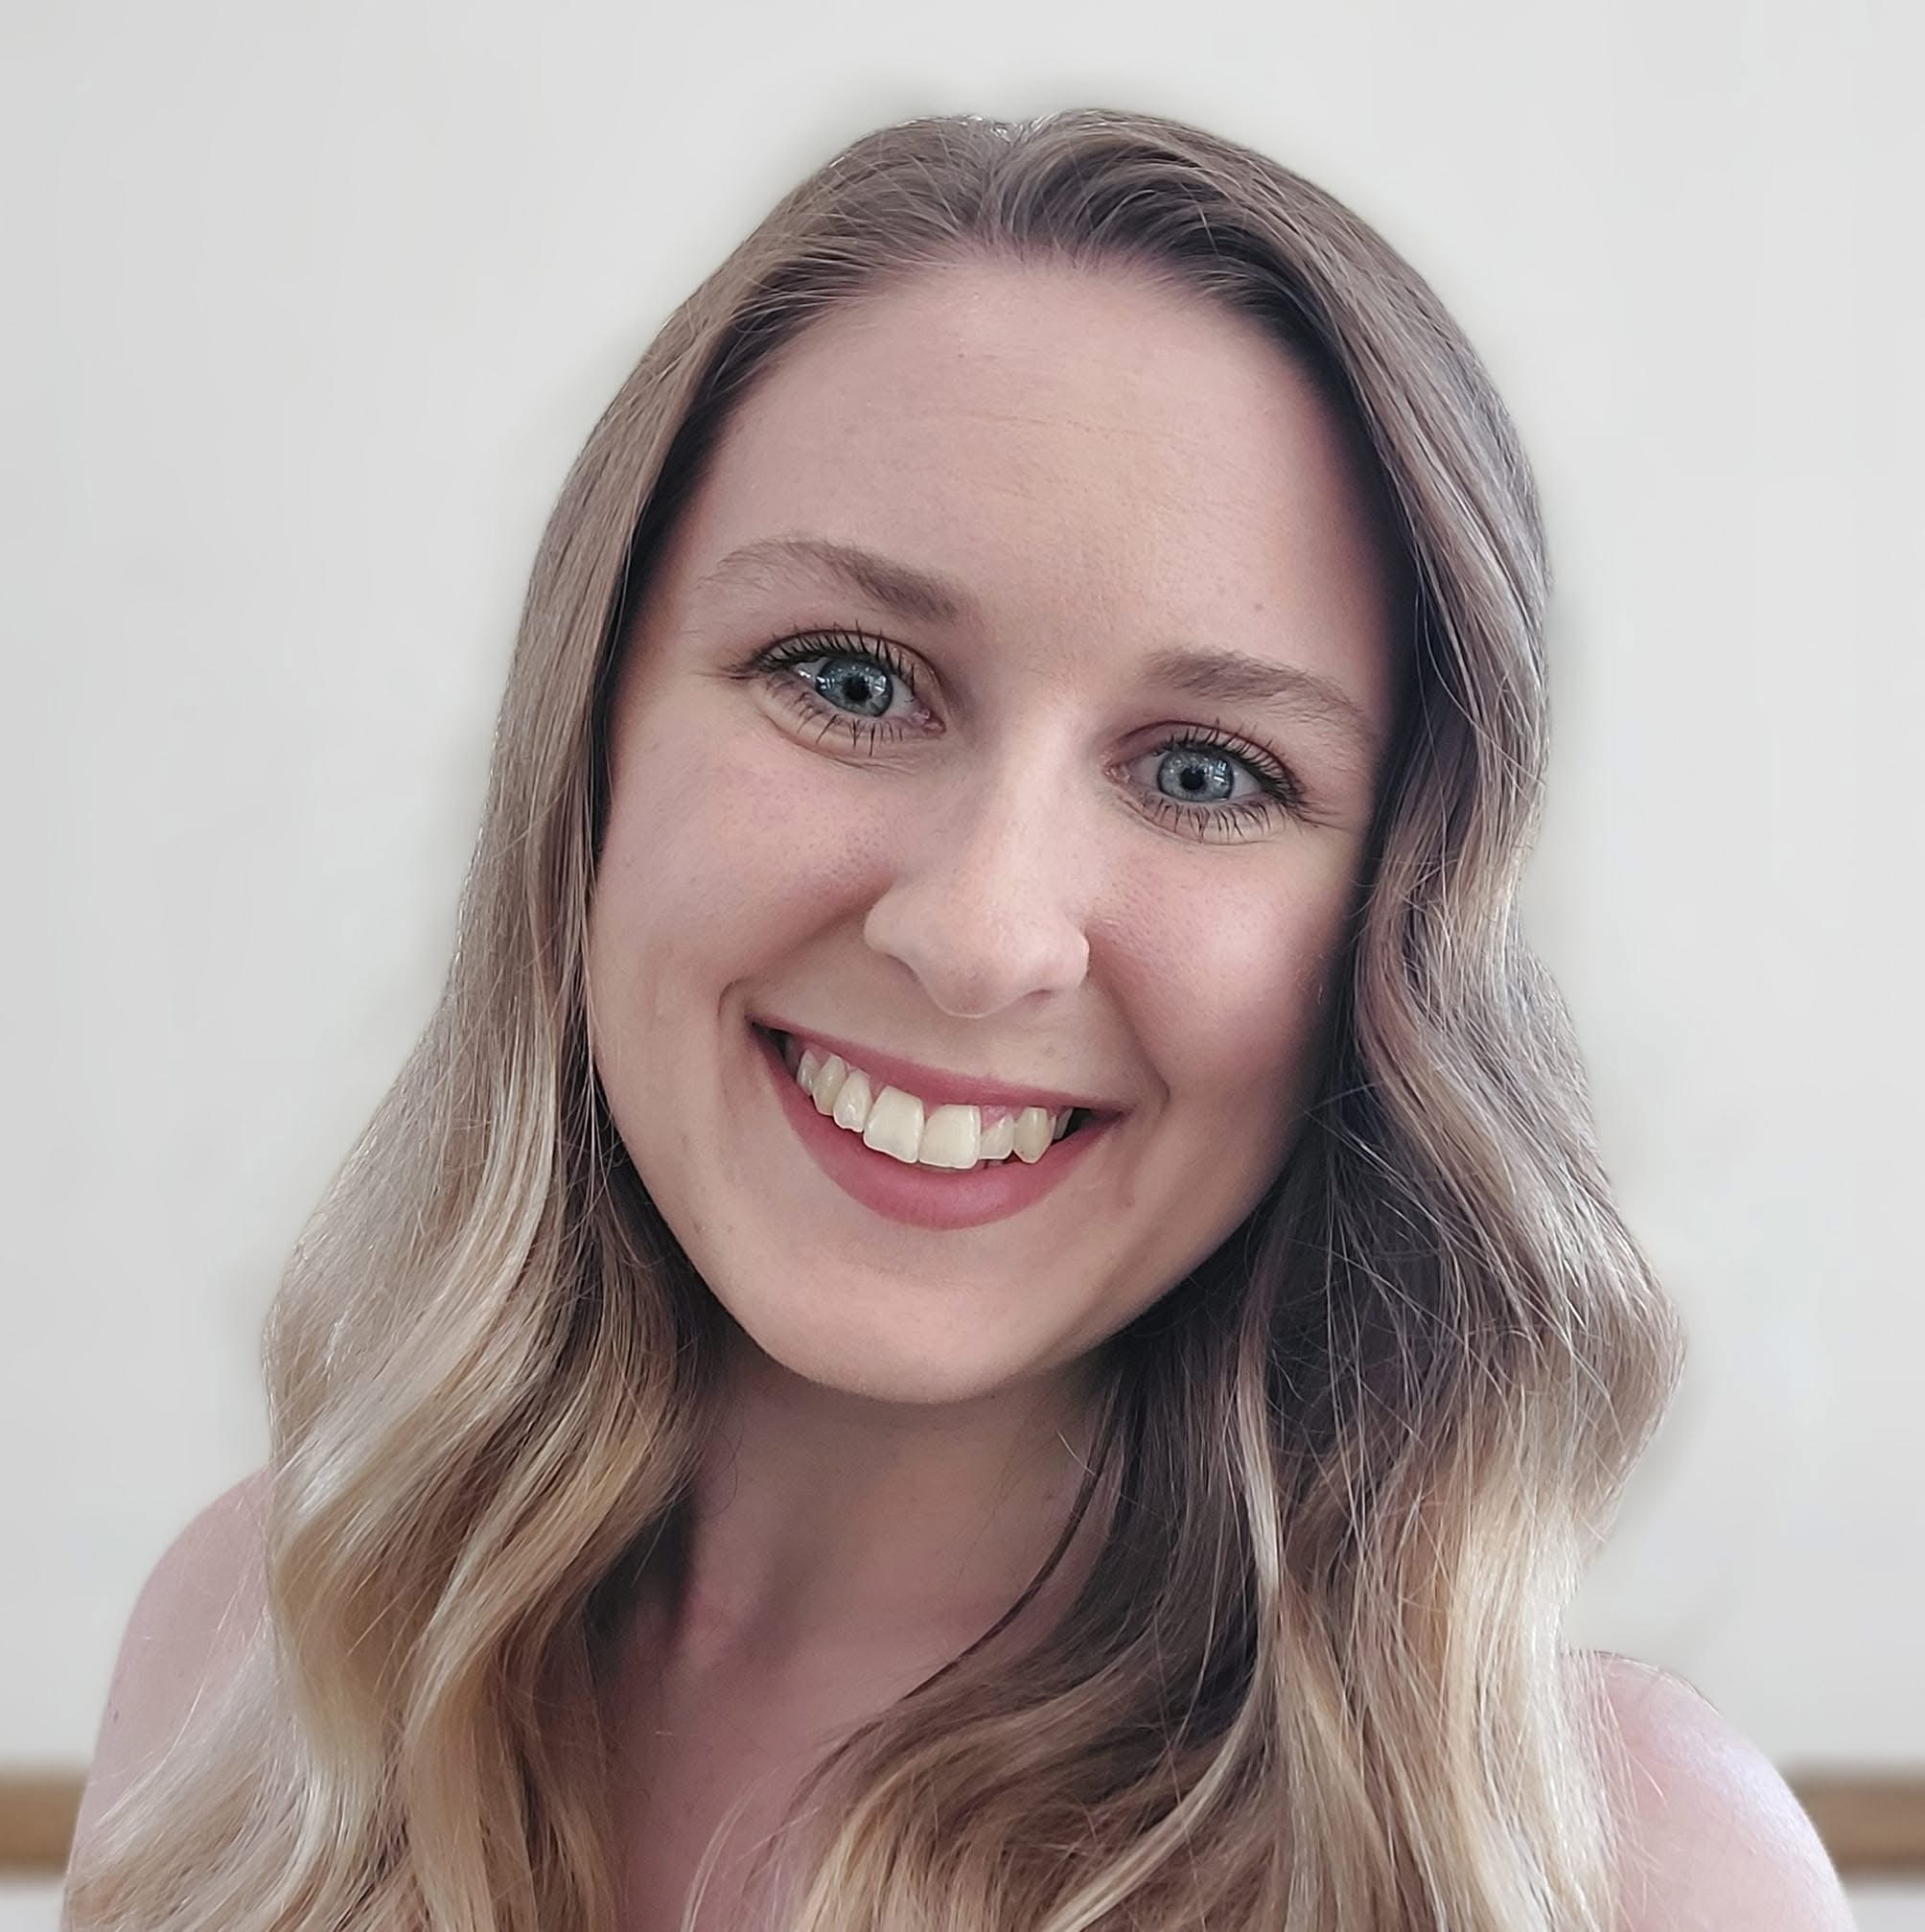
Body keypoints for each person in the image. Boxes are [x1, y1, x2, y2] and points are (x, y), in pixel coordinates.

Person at [62, 107, 1854, 1932]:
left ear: (1396, 929)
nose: (983, 936)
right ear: (591, 745)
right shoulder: (257, 1657)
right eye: (851, 680)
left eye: (1210, 772)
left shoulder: (1614, 1871)